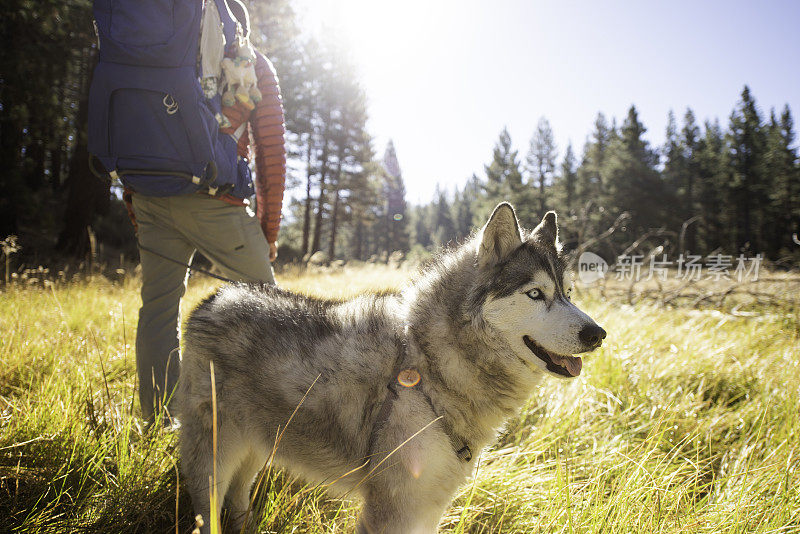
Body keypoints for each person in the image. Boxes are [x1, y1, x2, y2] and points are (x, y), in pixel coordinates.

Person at [123, 0, 286, 425]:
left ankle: (161, 425)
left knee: (158, 310)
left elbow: (131, 133)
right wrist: (268, 231)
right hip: (217, 201)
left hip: (151, 196)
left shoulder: (148, 59)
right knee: (274, 314)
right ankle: (273, 432)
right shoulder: (250, 64)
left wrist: (135, 201)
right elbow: (271, 155)